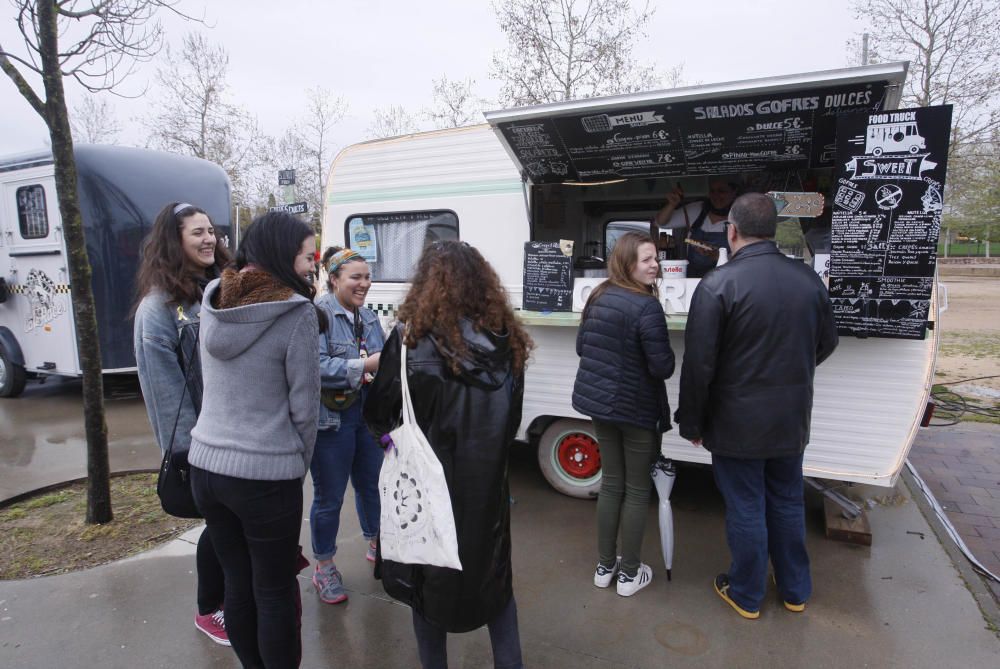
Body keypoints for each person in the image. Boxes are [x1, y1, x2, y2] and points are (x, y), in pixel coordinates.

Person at [364, 240, 533, 669]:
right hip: (488, 490)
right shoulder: (508, 339)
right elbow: (511, 422)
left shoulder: (408, 340)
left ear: (426, 282)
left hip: (426, 490)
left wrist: (391, 444)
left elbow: (380, 415)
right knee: (496, 587)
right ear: (483, 283)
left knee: (429, 589)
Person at [674, 193, 839, 620]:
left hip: (735, 423)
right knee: (786, 501)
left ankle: (747, 594)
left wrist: (690, 420)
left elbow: (699, 365)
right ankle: (795, 592)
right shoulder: (807, 280)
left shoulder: (718, 283)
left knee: (746, 506)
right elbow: (827, 343)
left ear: (732, 230)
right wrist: (794, 374)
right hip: (790, 418)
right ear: (772, 230)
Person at [187, 211, 322, 668]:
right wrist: (293, 466)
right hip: (265, 475)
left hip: (206, 467)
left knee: (238, 584)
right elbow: (305, 408)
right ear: (284, 255)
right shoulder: (296, 312)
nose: (311, 267)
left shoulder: (214, 299)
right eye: (307, 257)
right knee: (274, 590)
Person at [133, 202, 231, 646]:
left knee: (233, 522)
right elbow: (164, 391)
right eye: (197, 233)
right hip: (203, 442)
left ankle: (232, 598)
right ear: (175, 241)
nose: (209, 239)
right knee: (219, 522)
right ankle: (210, 609)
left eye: (211, 230)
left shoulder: (221, 289)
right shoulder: (158, 309)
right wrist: (190, 451)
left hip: (237, 432)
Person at [572, 231, 676, 597]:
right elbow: (663, 367)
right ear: (627, 263)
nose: (655, 265)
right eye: (646, 259)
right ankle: (630, 573)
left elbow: (582, 346)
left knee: (611, 484)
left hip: (601, 406)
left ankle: (605, 567)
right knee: (635, 489)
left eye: (655, 258)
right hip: (636, 409)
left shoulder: (598, 295)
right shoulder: (647, 306)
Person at [309, 247, 384, 604]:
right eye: (355, 277)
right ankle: (324, 567)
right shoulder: (317, 315)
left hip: (366, 417)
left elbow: (384, 362)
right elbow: (314, 367)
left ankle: (377, 544)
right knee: (329, 498)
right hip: (331, 422)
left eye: (367, 277)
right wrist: (365, 365)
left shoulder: (368, 317)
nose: (364, 284)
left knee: (372, 486)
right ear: (334, 278)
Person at [652, 176, 740, 278]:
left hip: (726, 278)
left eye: (722, 191)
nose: (716, 195)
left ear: (734, 192)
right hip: (693, 279)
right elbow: (660, 223)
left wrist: (718, 256)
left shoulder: (740, 216)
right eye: (712, 191)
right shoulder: (697, 209)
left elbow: (745, 257)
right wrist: (671, 204)